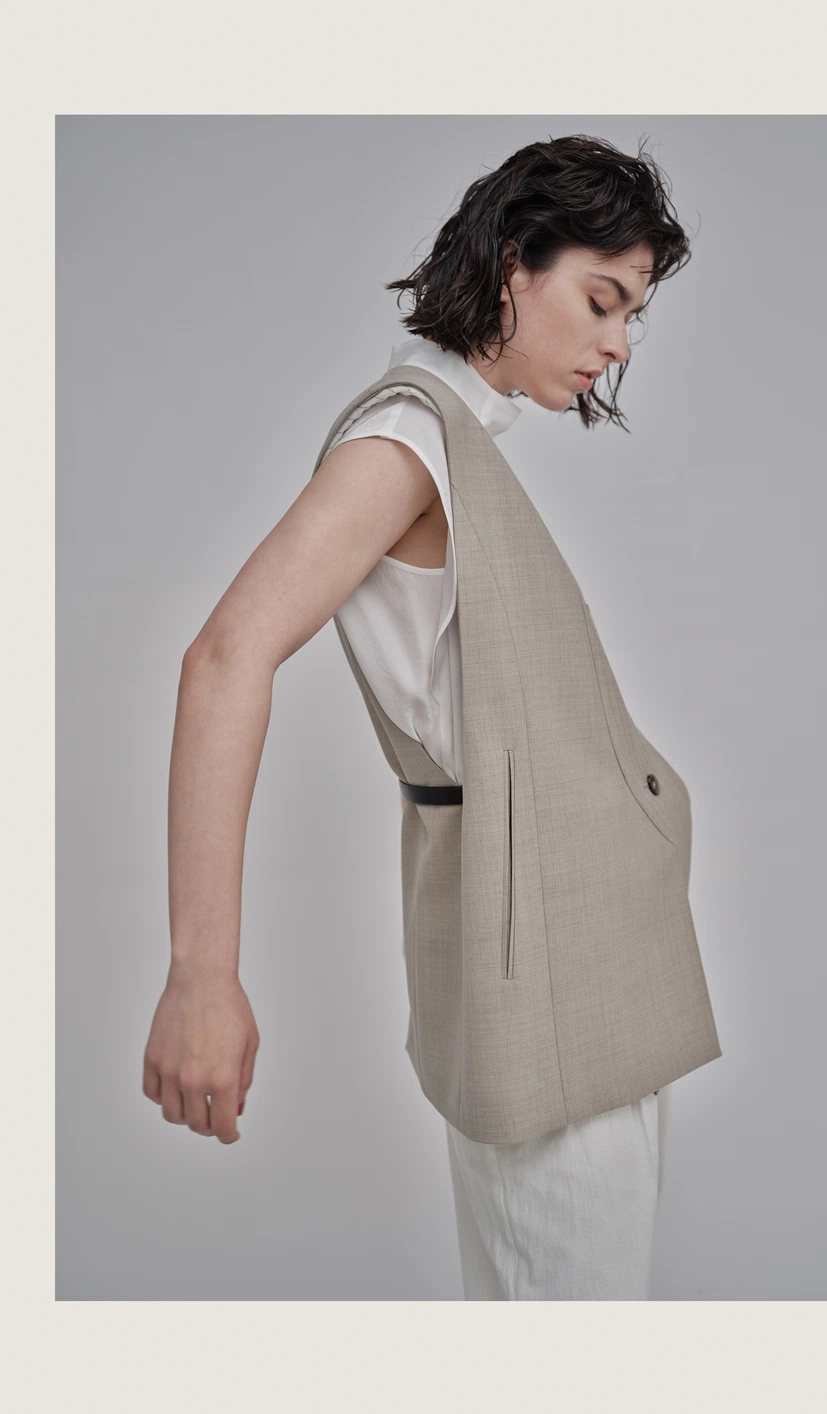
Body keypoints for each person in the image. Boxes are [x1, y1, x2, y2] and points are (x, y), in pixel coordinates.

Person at [143, 133, 706, 1299]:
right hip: (543, 973)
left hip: (579, 964)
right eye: (601, 299)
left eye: (632, 315)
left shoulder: (451, 438)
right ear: (511, 266)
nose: (617, 343)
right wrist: (203, 971)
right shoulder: (406, 440)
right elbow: (225, 657)